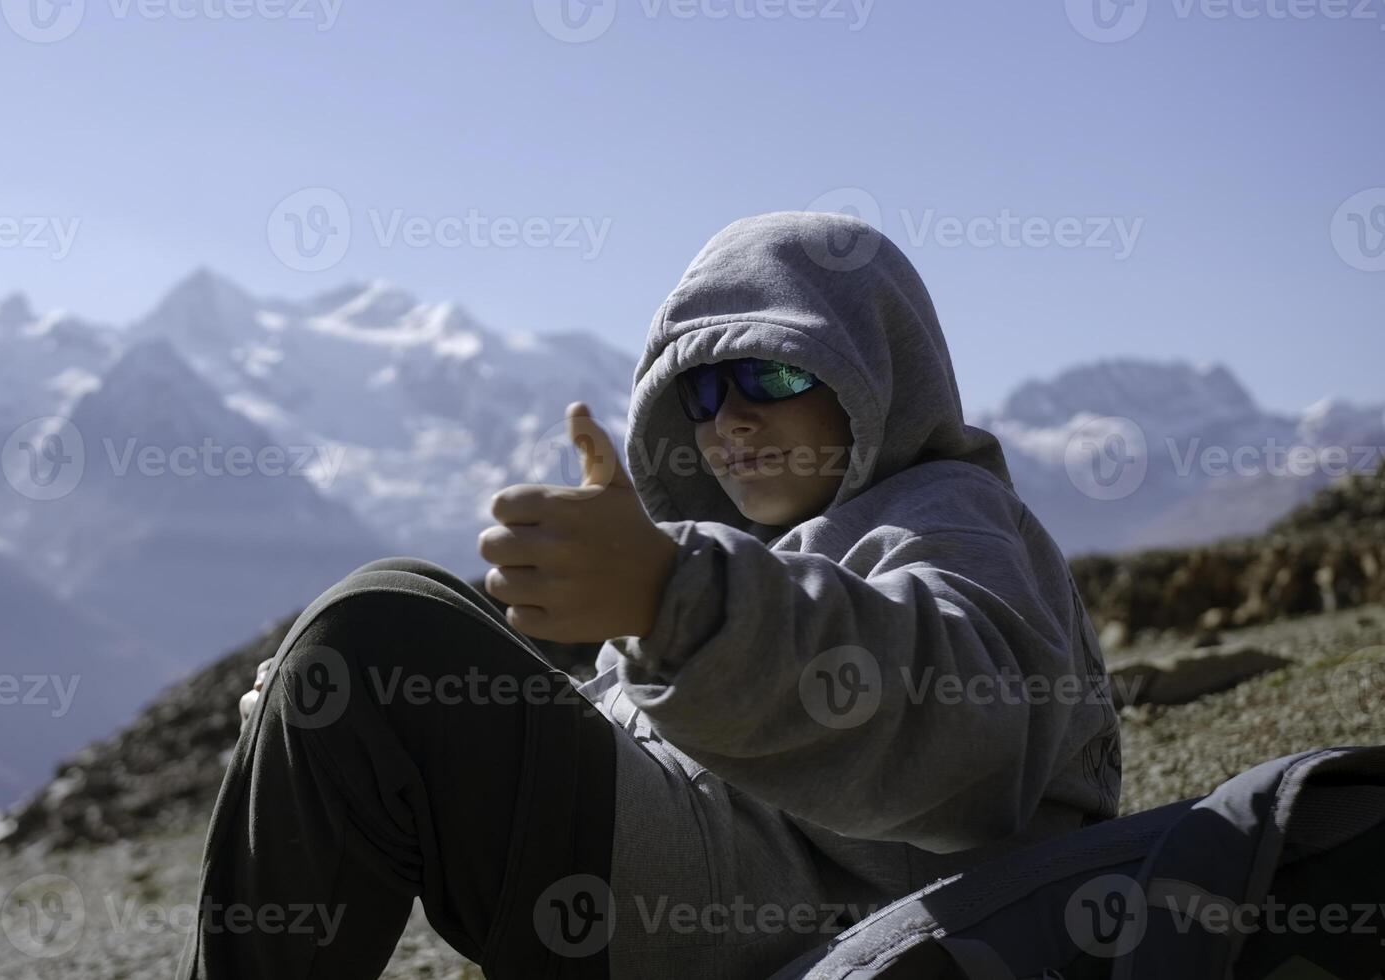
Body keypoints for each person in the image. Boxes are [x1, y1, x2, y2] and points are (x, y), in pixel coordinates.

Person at [174, 210, 1123, 979]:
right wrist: (322, 730)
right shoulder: (767, 550)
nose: (730, 419)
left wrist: (678, 596)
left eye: (773, 370)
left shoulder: (949, 513)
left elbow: (966, 742)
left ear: (879, 369)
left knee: (377, 629)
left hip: (756, 910)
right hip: (695, 879)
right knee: (388, 617)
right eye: (701, 394)